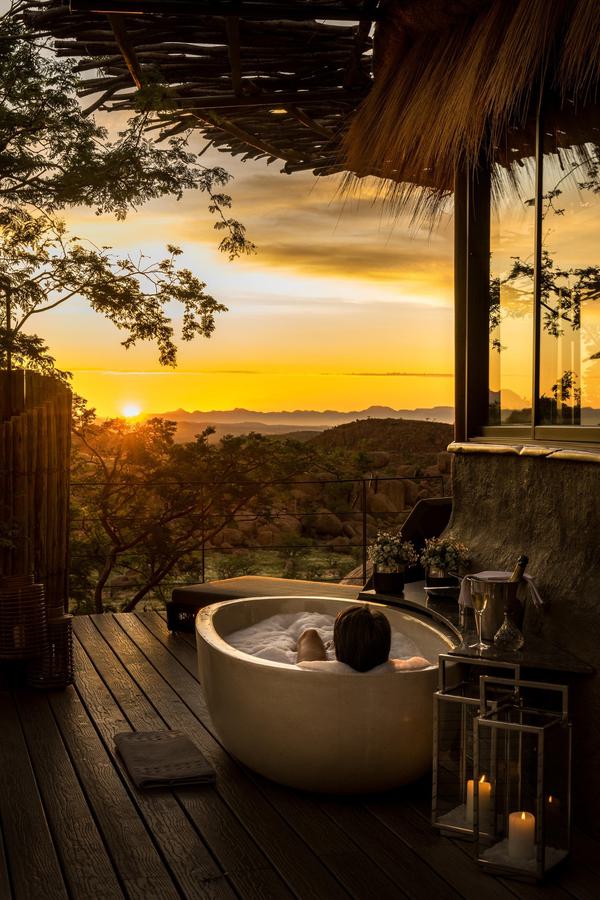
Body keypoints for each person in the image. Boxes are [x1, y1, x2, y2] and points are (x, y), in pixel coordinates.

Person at [295, 604, 429, 672]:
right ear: (386, 645)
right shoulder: (405, 669)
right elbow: (422, 662)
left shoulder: (314, 669)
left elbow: (309, 634)